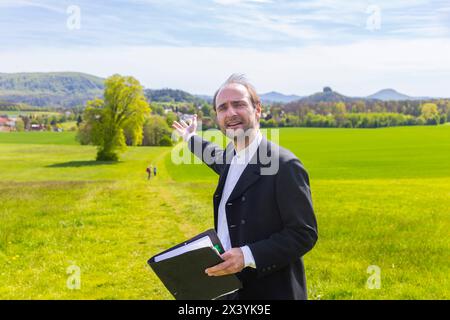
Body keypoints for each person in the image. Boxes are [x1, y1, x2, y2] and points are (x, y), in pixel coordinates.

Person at [172, 74, 318, 300]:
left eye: (238, 104)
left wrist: (246, 255)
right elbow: (212, 155)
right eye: (223, 108)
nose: (230, 113)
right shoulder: (231, 156)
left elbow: (303, 234)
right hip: (228, 289)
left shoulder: (284, 165)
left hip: (271, 292)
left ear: (257, 109)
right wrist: (190, 138)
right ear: (218, 117)